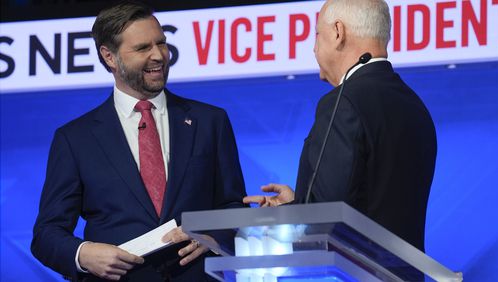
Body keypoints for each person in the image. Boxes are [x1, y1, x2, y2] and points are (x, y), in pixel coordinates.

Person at [31, 1, 246, 281]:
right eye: (143, 48)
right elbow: (47, 234)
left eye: (162, 43)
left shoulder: (210, 121)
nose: (159, 55)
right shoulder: (75, 139)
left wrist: (212, 234)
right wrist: (83, 253)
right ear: (109, 56)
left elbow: (234, 206)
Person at [244, 0, 437, 252]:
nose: (313, 49)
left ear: (338, 32)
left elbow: (327, 218)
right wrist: (301, 202)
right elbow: (371, 199)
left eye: (316, 35)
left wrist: (284, 215)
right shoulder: (415, 106)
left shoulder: (343, 102)